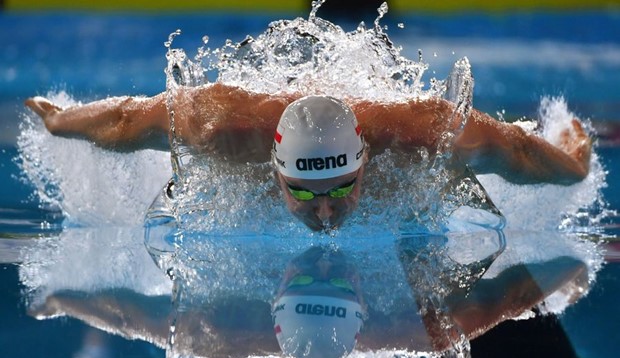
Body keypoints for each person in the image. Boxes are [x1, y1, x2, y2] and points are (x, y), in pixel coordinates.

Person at [25, 83, 592, 230]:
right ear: (274, 169)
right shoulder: (218, 130)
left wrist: (572, 162)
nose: (326, 211)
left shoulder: (421, 135)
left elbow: (511, 146)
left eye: (343, 186)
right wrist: (59, 120)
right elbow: (126, 121)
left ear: (366, 156)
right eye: (304, 191)